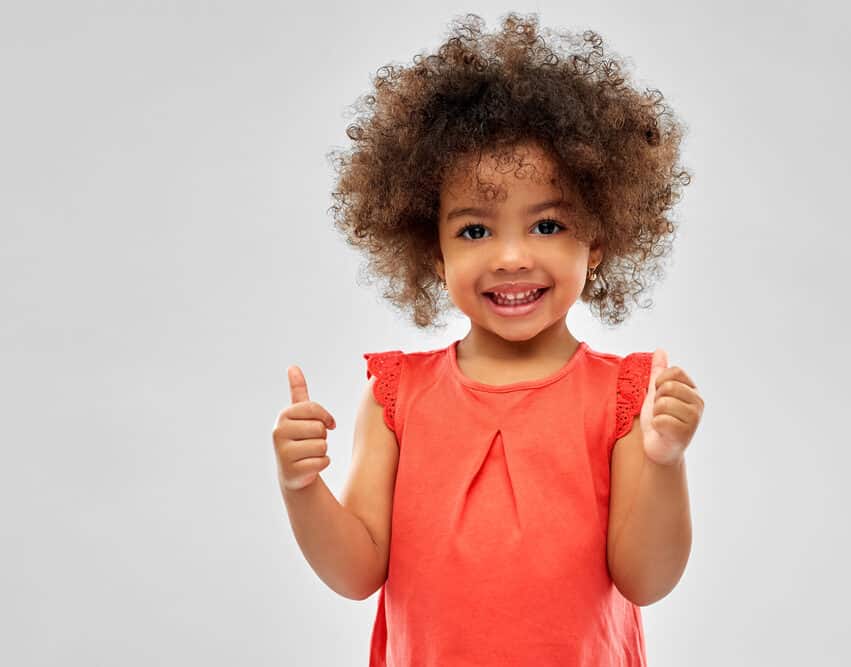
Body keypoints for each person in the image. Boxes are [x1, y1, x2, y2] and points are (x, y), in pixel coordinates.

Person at [272, 12, 705, 666]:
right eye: (475, 231)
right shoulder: (396, 397)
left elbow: (647, 577)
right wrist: (301, 488)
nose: (509, 257)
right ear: (433, 251)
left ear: (598, 238)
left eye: (548, 225)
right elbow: (357, 567)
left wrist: (666, 460)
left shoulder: (625, 399)